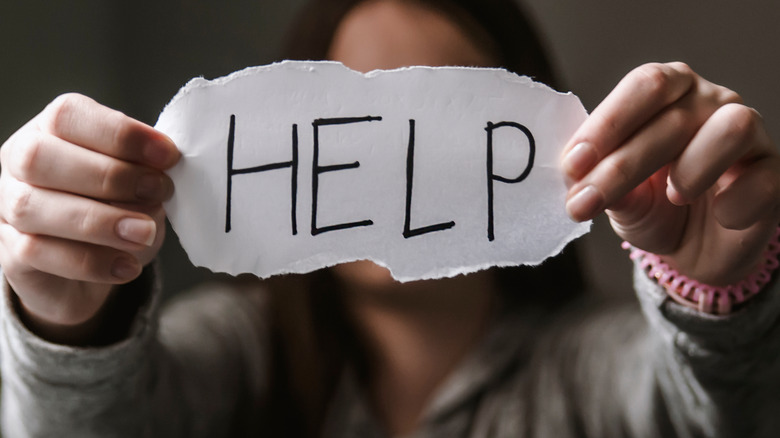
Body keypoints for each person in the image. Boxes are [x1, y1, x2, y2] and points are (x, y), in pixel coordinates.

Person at [1, 0, 780, 436]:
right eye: (348, 110)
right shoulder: (231, 354)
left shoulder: (594, 370)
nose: (387, 160)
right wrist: (67, 319)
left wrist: (715, 294)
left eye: (442, 109)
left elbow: (722, 413)